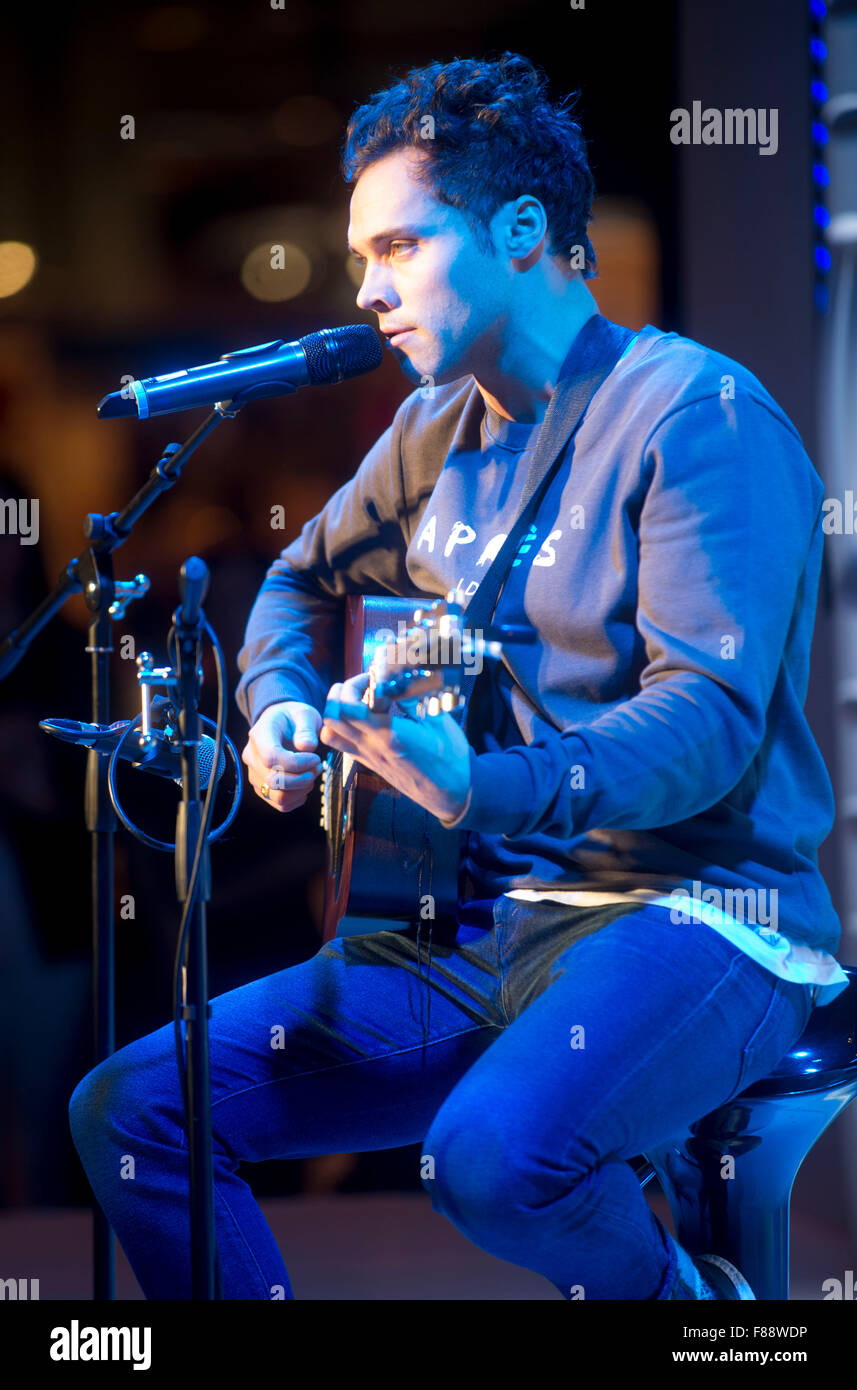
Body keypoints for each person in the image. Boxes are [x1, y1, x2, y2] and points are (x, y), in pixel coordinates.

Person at [69, 52, 849, 1301]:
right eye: (361, 257)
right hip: (481, 923)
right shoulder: (437, 425)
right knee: (129, 1109)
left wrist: (475, 785)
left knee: (489, 1161)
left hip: (698, 913)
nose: (364, 289)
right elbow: (295, 583)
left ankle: (697, 1310)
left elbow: (704, 724)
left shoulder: (696, 416)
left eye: (396, 248)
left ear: (521, 231)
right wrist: (273, 704)